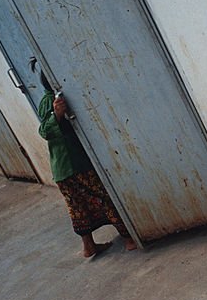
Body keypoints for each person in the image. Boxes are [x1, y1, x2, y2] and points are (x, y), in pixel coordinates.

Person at [38, 77, 138, 259]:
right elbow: (45, 131)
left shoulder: (59, 96)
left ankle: (89, 246)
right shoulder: (50, 100)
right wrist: (57, 115)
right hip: (74, 165)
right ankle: (128, 238)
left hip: (64, 169)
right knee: (103, 198)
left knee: (78, 206)